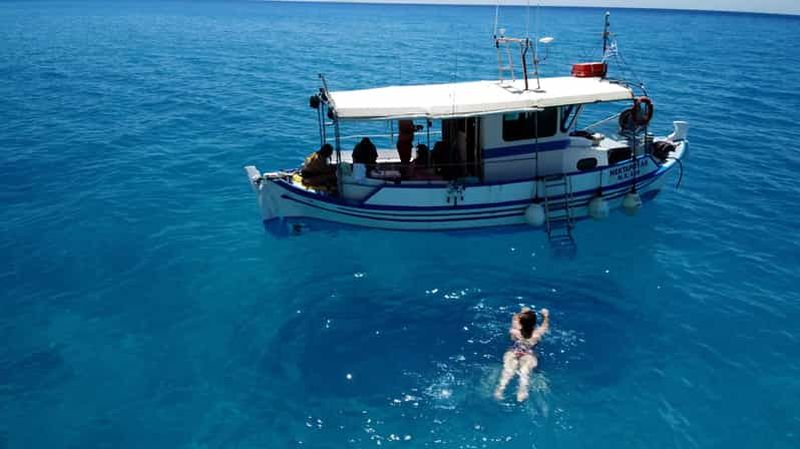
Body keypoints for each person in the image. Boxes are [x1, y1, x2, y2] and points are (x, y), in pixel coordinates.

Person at [494, 307, 550, 402]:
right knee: (524, 373)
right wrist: (545, 316)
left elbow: (514, 318)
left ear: (520, 321)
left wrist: (522, 311)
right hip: (528, 353)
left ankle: (500, 389)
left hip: (513, 351)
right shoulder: (537, 333)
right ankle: (522, 392)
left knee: (507, 372)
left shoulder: (514, 330)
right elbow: (545, 326)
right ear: (534, 324)